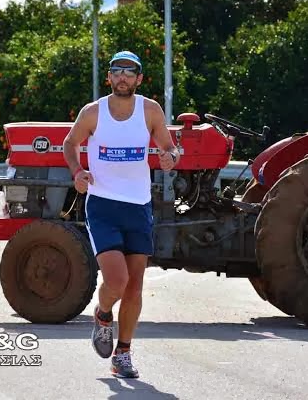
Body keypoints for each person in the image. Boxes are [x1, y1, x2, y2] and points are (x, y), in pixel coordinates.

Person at [62, 50, 179, 378]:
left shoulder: (150, 110)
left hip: (138, 206)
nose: (123, 77)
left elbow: (170, 147)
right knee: (117, 280)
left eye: (130, 72)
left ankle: (122, 354)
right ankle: (102, 315)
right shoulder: (93, 112)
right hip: (103, 205)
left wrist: (172, 156)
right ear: (110, 77)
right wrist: (77, 172)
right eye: (117, 72)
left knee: (134, 287)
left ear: (139, 79)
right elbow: (70, 144)